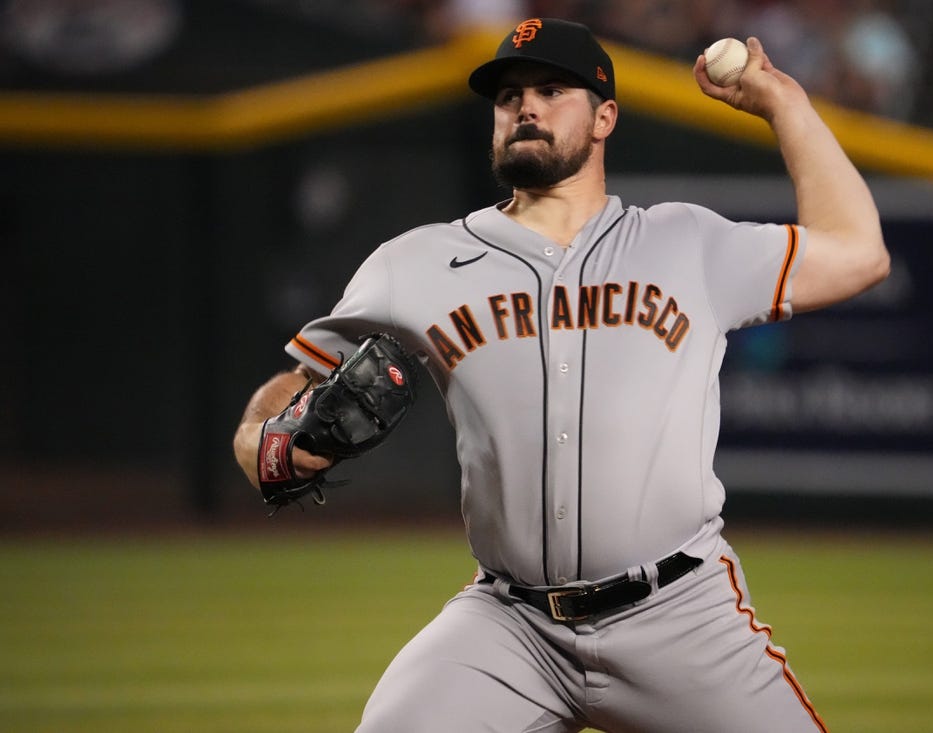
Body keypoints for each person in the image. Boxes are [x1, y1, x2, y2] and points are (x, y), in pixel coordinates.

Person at [233, 17, 888, 733]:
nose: (526, 107)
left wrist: (785, 104)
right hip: (509, 628)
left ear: (605, 117)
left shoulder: (688, 242)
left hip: (681, 615)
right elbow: (295, 382)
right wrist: (262, 438)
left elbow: (859, 253)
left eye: (551, 90)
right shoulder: (414, 263)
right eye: (508, 96)